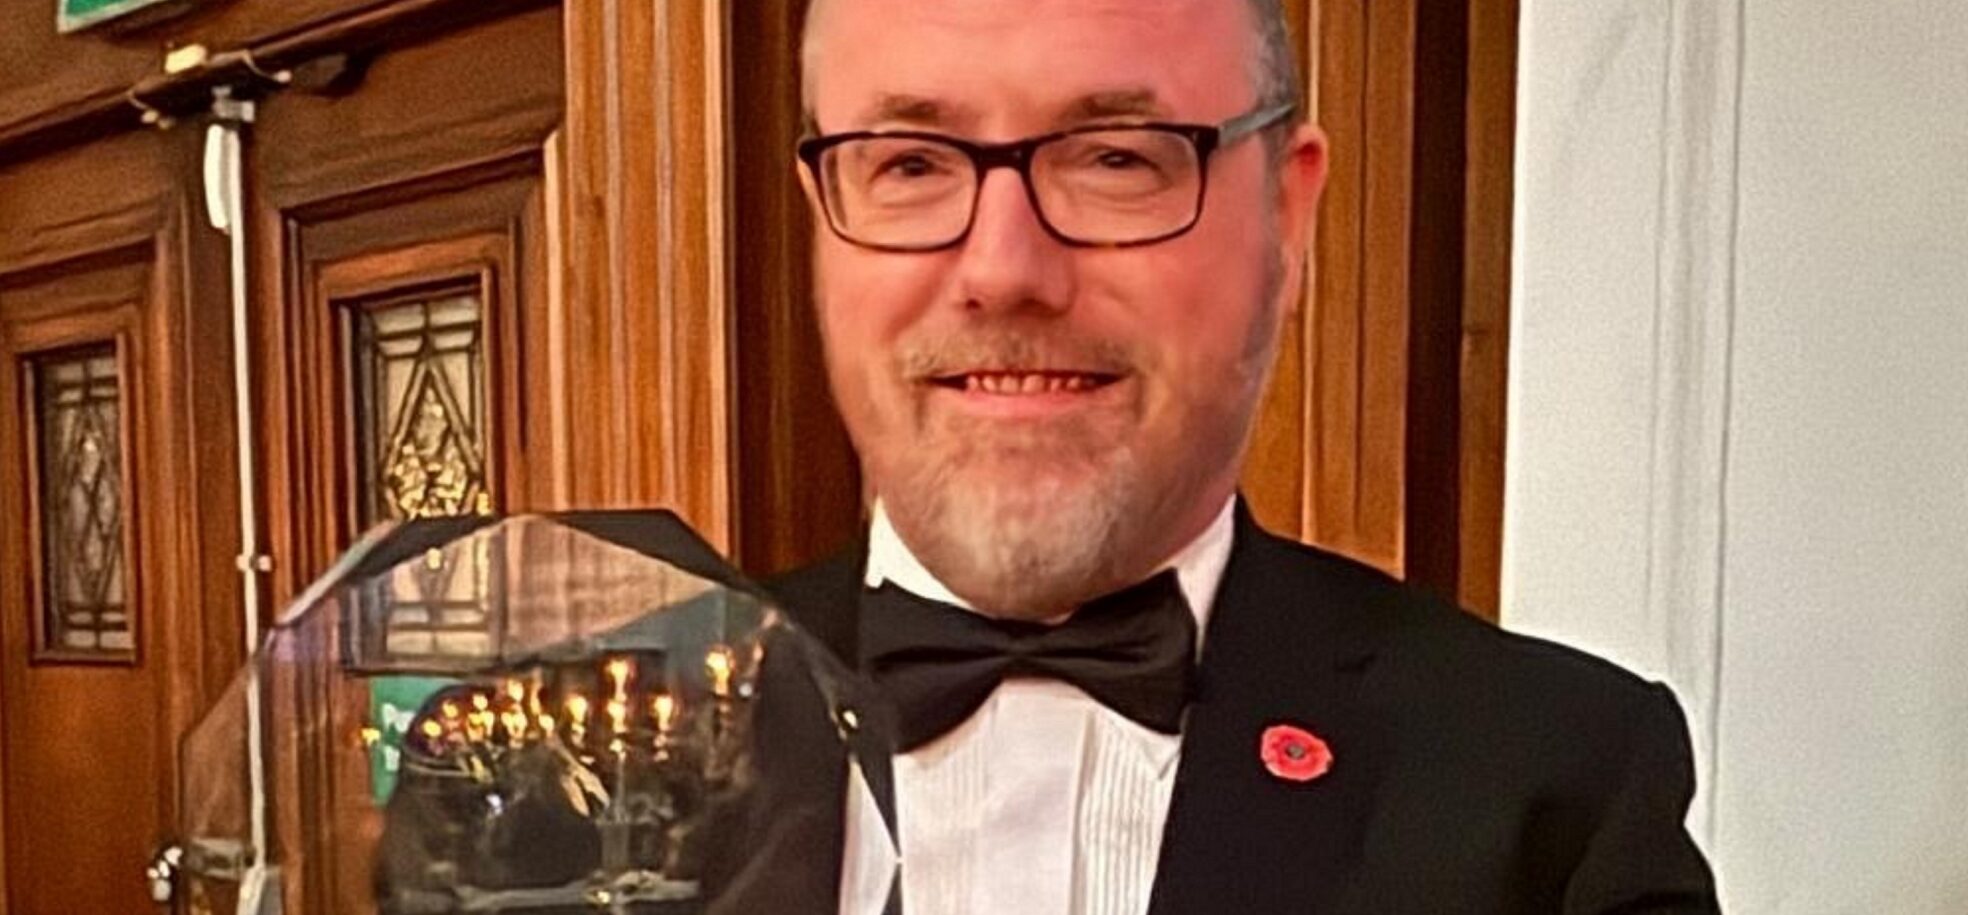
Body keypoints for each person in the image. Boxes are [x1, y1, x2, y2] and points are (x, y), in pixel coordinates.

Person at [756, 0, 1723, 912]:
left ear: (1286, 220)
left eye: (1117, 159)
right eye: (913, 165)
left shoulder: (1558, 792)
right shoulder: (616, 745)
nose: (1005, 270)